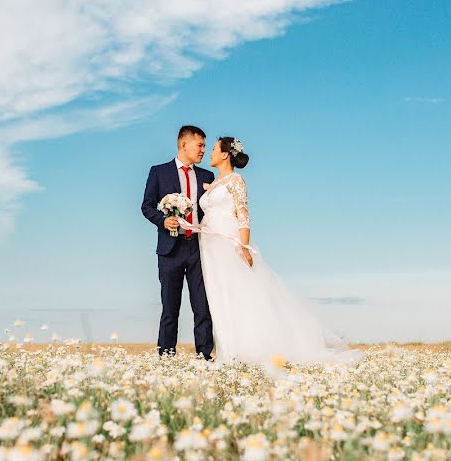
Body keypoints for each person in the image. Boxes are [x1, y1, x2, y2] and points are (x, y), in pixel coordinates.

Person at [186, 136, 365, 366]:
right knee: (218, 295)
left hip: (228, 243)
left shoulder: (236, 180)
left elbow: (243, 213)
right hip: (209, 247)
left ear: (224, 155)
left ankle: (249, 348)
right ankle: (228, 349)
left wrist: (244, 246)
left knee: (240, 293)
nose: (209, 152)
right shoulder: (214, 183)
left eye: (213, 149)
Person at [141, 125, 215, 359]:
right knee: (170, 307)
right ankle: (166, 356)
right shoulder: (158, 172)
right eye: (200, 145)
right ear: (184, 144)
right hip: (170, 249)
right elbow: (147, 206)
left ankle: (204, 356)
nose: (203, 150)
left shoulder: (206, 176)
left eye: (205, 146)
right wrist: (163, 221)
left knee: (202, 306)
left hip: (198, 248)